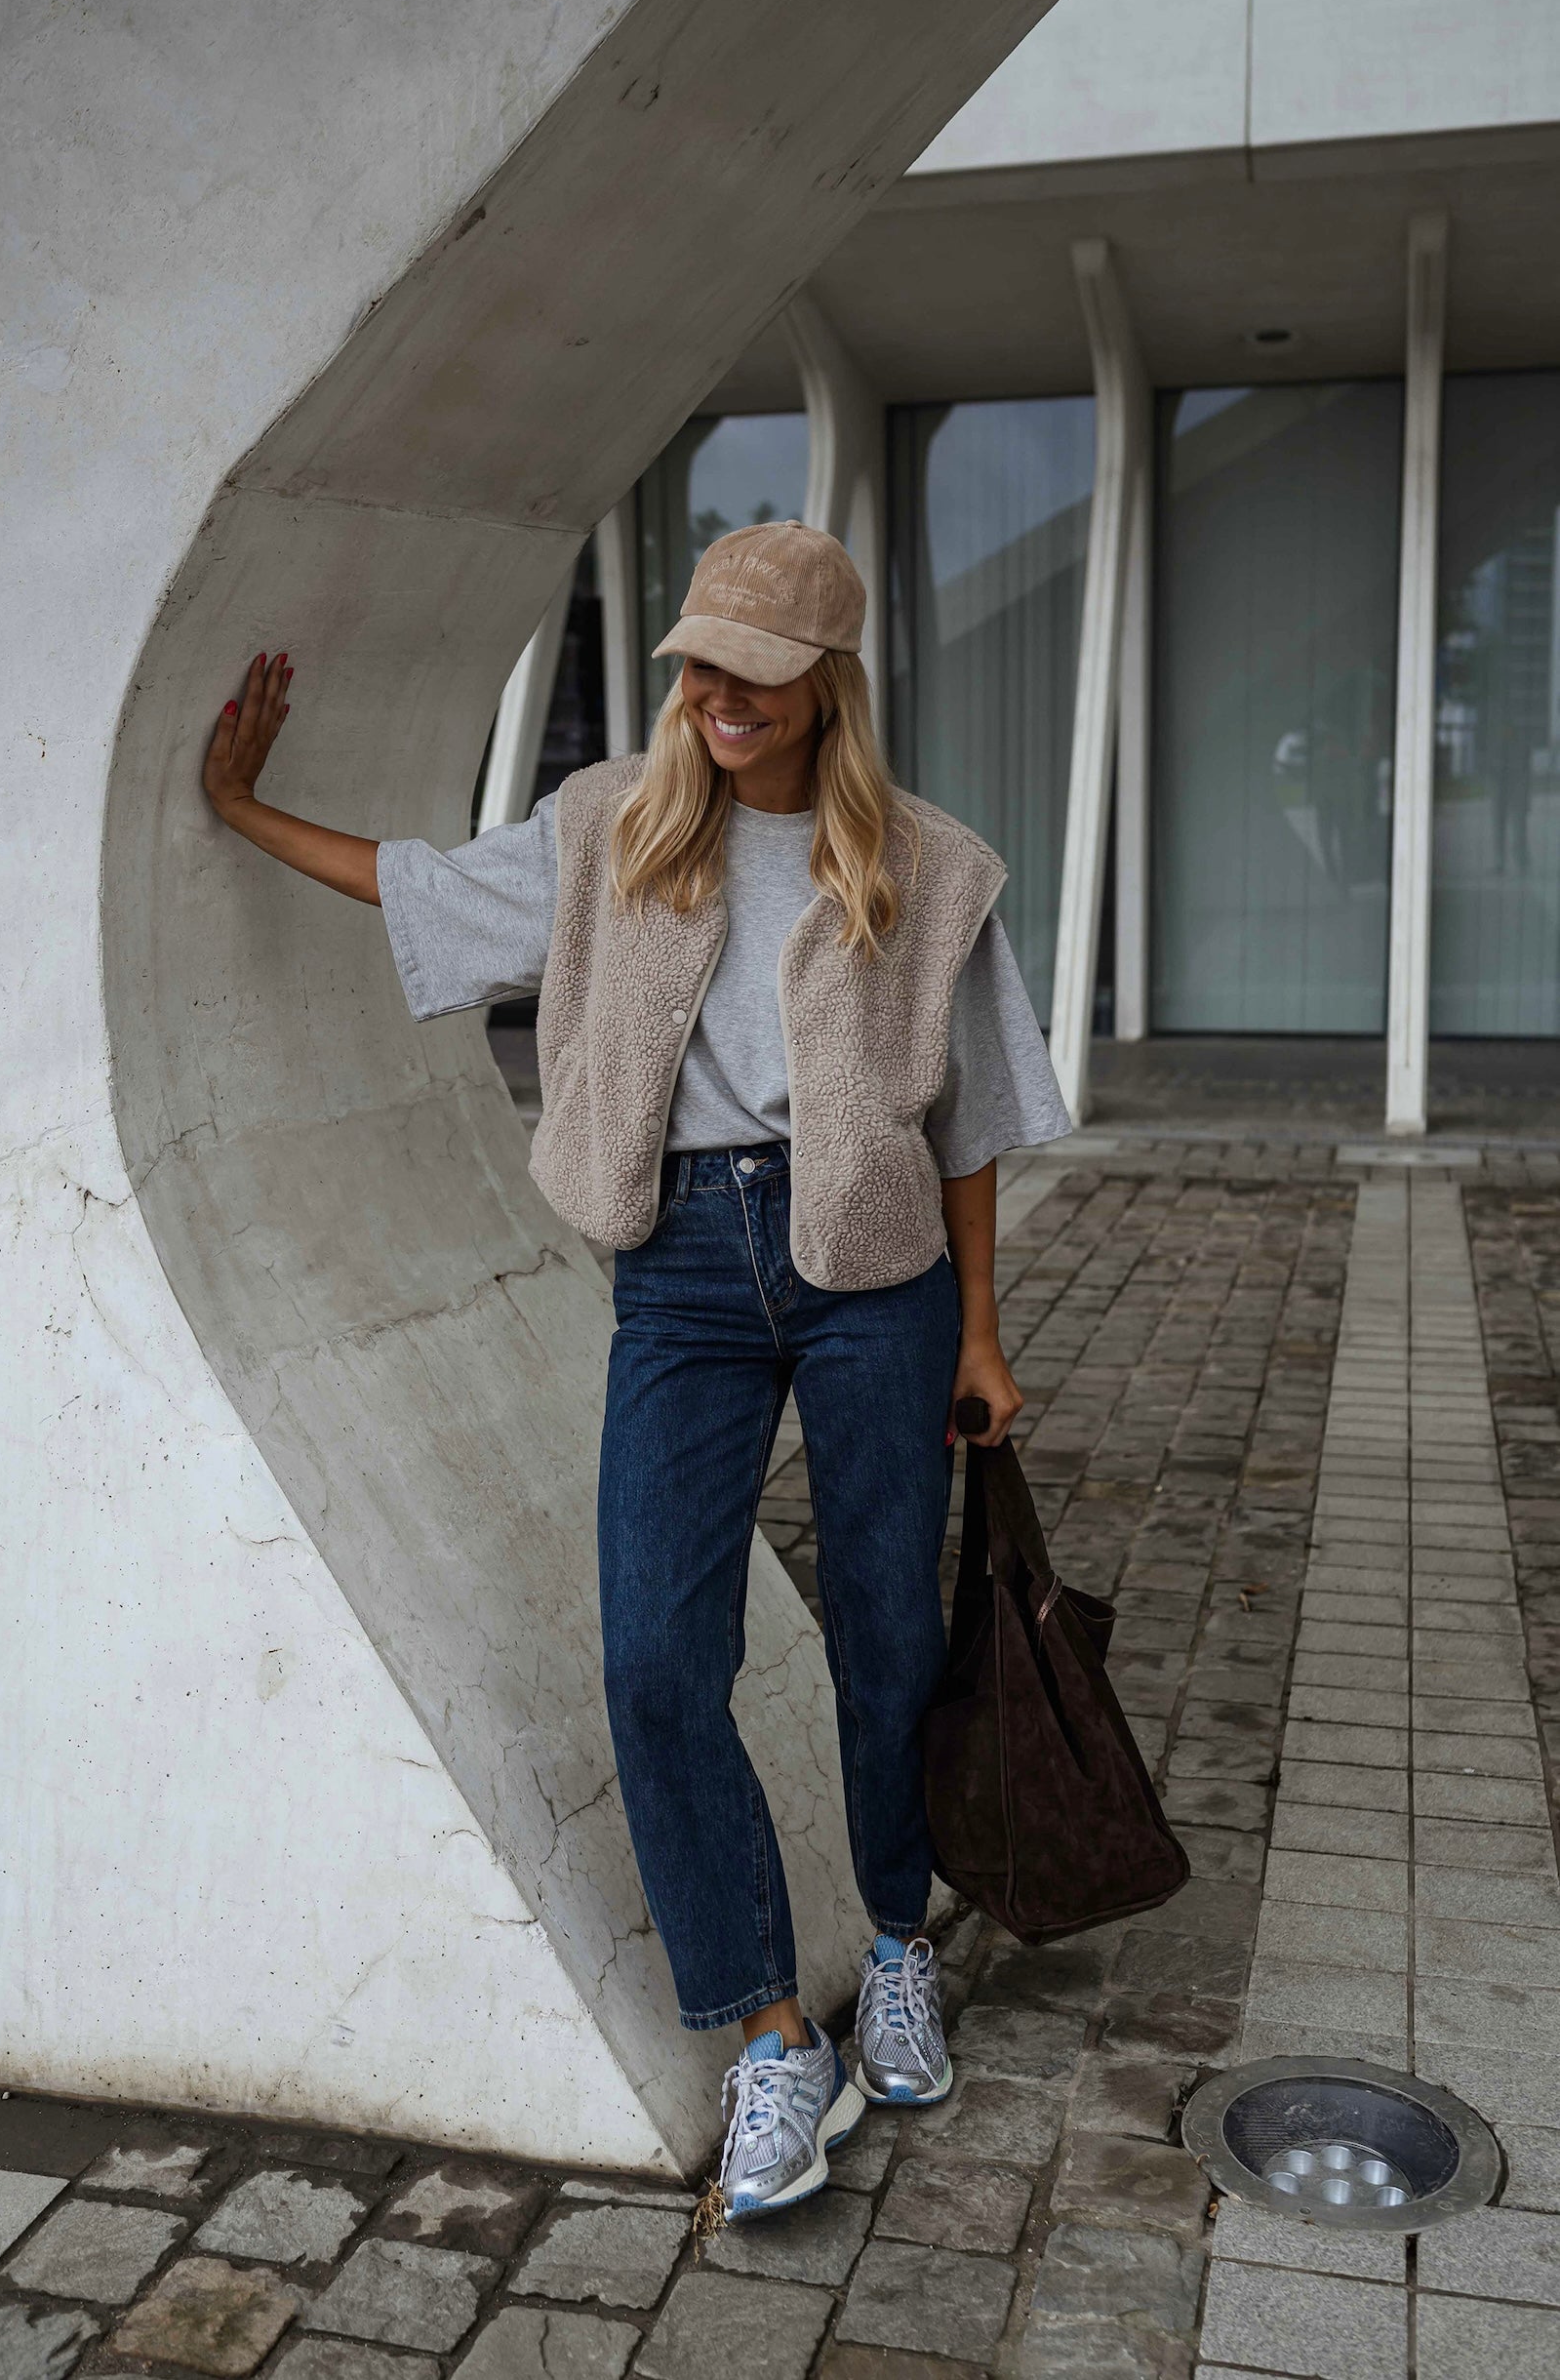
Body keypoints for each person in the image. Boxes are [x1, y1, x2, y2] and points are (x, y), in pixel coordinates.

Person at [202, 519, 1070, 2221]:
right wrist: (240, 812)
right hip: (679, 1269)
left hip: (874, 1276)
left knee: (890, 1633)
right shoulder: (612, 823)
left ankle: (898, 1938)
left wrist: (977, 1327)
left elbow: (970, 1115)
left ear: (825, 683)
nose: (712, 695)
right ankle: (768, 2034)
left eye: (750, 671)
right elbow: (424, 883)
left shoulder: (928, 867)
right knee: (663, 1653)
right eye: (695, 663)